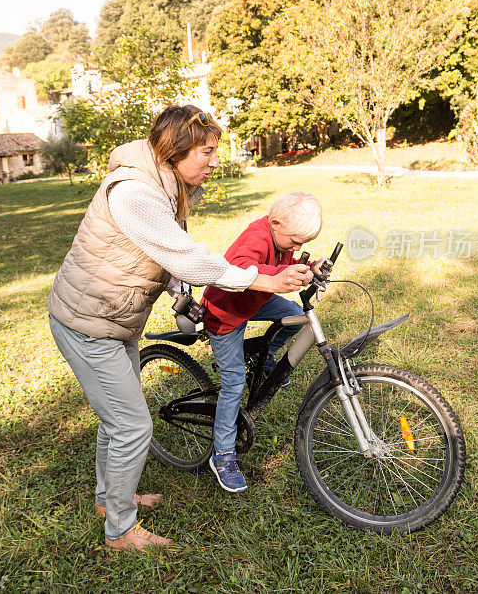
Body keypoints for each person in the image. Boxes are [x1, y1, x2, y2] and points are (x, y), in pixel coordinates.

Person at [46, 105, 311, 551]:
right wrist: (264, 278)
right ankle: (121, 531)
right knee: (132, 426)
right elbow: (186, 255)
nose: (214, 161)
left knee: (116, 422)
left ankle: (109, 500)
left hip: (112, 320)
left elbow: (161, 256)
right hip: (87, 324)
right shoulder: (135, 193)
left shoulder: (165, 186)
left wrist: (180, 295)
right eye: (207, 152)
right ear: (176, 149)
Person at [201, 191, 323, 493]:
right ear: (276, 223)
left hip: (254, 303)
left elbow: (285, 261)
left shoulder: (279, 234)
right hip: (225, 313)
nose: (297, 248)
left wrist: (307, 265)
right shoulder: (256, 236)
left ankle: (259, 355)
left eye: (303, 244)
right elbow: (241, 268)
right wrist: (282, 272)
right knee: (234, 383)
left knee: (294, 315)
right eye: (295, 242)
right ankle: (223, 454)